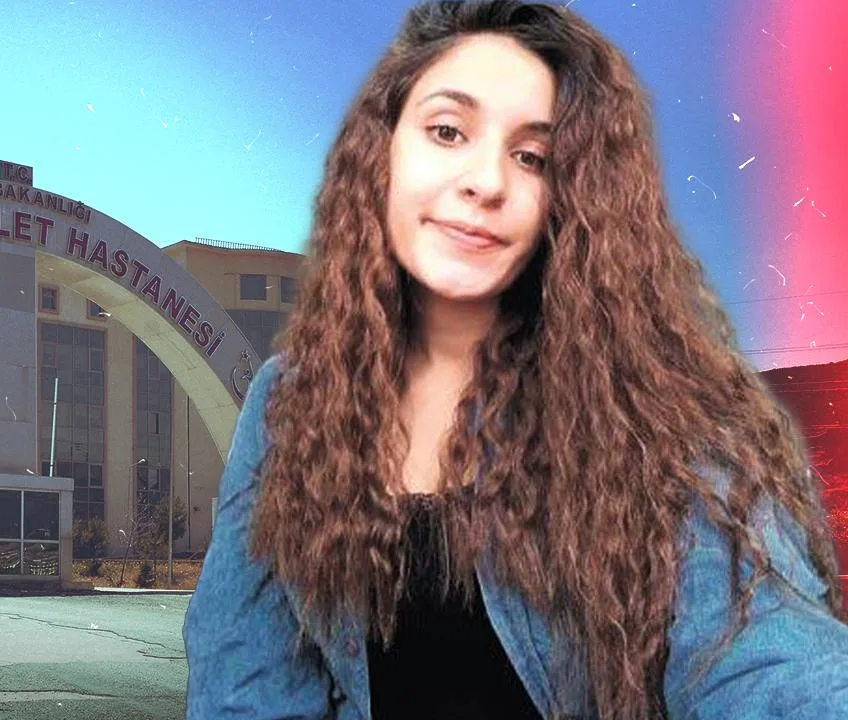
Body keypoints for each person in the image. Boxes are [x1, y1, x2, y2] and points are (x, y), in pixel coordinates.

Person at [183, 1, 848, 719]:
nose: (487, 182)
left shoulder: (663, 406)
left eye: (532, 157)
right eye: (448, 131)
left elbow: (769, 664)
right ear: (381, 152)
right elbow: (242, 686)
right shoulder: (288, 403)